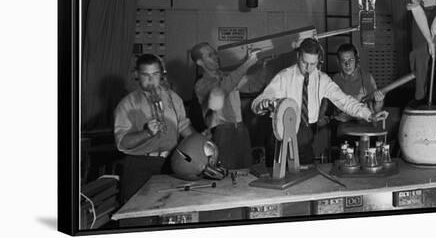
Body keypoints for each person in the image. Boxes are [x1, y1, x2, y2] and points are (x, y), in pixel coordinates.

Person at [251, 38, 388, 164]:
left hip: (305, 132)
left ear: (318, 61)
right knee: (277, 178)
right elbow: (259, 101)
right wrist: (262, 104)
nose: (308, 68)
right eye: (305, 62)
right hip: (280, 134)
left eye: (313, 64)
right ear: (298, 56)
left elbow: (345, 101)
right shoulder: (284, 77)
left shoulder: (323, 80)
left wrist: (369, 114)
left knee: (306, 176)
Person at [114, 54, 196, 203]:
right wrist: (147, 133)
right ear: (137, 74)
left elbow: (184, 128)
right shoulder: (126, 104)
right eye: (146, 75)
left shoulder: (174, 98)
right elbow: (122, 144)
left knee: (170, 207)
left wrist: (200, 140)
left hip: (170, 162)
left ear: (162, 75)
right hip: (139, 165)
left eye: (155, 74)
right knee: (137, 212)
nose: (151, 80)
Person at [191, 42, 257, 170]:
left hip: (241, 130)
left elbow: (254, 84)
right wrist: (247, 63)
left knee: (246, 174)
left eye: (215, 53)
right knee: (226, 177)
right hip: (222, 133)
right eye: (210, 55)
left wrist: (262, 63)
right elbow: (223, 90)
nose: (216, 56)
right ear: (200, 62)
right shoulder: (201, 84)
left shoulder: (227, 77)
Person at [324, 43, 385, 136]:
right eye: (343, 60)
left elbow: (377, 109)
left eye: (350, 60)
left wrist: (379, 101)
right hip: (342, 127)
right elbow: (326, 105)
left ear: (356, 60)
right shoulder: (334, 80)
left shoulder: (367, 78)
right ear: (338, 61)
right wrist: (321, 116)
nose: (347, 64)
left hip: (365, 126)